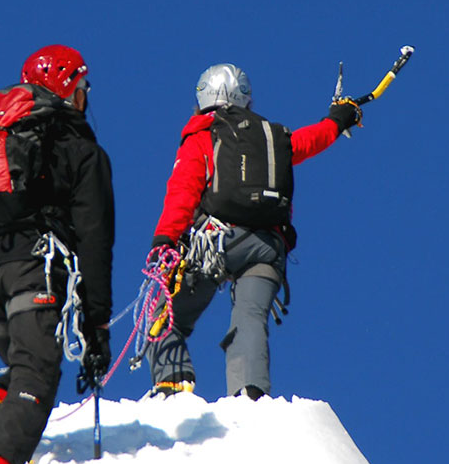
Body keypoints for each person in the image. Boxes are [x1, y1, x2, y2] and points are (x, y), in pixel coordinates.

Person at [0, 45, 114, 464]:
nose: (86, 96)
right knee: (39, 371)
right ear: (69, 89)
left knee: (25, 364)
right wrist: (96, 325)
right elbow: (95, 239)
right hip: (32, 268)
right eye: (82, 86)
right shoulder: (81, 151)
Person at [144, 63, 359, 400]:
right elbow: (313, 139)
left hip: (216, 244)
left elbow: (182, 193)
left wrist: (164, 241)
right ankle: (249, 394)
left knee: (164, 315)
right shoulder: (273, 138)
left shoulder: (202, 137)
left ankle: (173, 384)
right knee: (250, 318)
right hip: (268, 246)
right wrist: (339, 119)